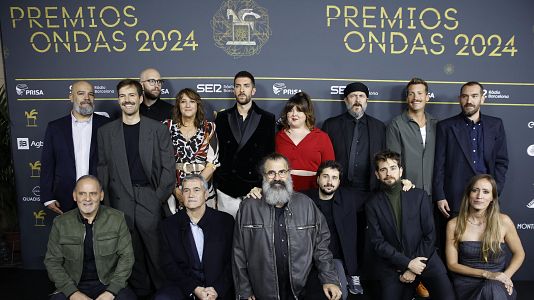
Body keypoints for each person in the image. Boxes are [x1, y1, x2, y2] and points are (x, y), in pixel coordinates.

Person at [97, 79, 175, 297]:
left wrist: (156, 198)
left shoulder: (157, 129)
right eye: (122, 96)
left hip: (148, 196)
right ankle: (139, 293)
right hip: (119, 198)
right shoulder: (105, 132)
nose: (127, 100)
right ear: (118, 100)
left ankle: (164, 293)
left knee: (156, 252)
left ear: (140, 99)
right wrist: (108, 205)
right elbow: (103, 171)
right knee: (130, 254)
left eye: (132, 95)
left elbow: (168, 169)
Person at [233, 153, 342, 300]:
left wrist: (329, 279)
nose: (277, 178)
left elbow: (321, 247)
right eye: (271, 173)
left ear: (289, 174)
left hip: (302, 287)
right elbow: (239, 253)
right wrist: (244, 291)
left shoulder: (306, 204)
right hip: (263, 290)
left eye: (282, 172)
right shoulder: (248, 207)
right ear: (263, 176)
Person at [365, 150, 454, 300]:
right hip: (394, 265)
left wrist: (414, 267)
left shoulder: (419, 196)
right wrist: (407, 263)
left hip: (426, 260)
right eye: (383, 169)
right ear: (377, 174)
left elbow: (430, 234)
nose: (388, 173)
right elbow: (378, 243)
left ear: (401, 170)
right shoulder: (372, 204)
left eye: (393, 168)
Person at [386, 77, 438, 298]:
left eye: (420, 93)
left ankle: (424, 279)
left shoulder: (437, 124)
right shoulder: (396, 124)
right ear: (406, 97)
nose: (416, 97)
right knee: (409, 240)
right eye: (411, 93)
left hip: (434, 195)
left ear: (427, 97)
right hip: (408, 192)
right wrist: (402, 182)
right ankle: (413, 281)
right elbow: (393, 162)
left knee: (431, 238)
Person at [44, 175, 135, 300]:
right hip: (73, 284)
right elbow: (52, 262)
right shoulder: (60, 223)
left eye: (93, 193)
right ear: (75, 196)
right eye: (82, 194)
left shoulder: (117, 219)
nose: (87, 199)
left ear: (101, 195)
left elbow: (127, 258)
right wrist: (72, 293)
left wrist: (111, 291)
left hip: (108, 283)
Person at [433, 81, 509, 218]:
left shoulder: (496, 125)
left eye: (474, 96)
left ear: (482, 98)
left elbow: (501, 161)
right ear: (459, 99)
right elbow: (439, 165)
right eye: (465, 96)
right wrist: (440, 196)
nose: (469, 101)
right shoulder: (445, 126)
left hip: (486, 199)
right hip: (455, 199)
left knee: (486, 239)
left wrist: (494, 191)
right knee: (454, 239)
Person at [445, 174, 524, 300]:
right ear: (468, 194)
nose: (479, 196)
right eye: (475, 190)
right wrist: (487, 274)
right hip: (467, 285)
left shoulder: (504, 221)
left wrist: (505, 277)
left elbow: (519, 253)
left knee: (492, 288)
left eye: (486, 192)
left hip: (499, 283)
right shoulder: (454, 224)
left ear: (492, 198)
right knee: (491, 289)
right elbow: (452, 264)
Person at [156, 174, 234, 300]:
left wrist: (217, 289)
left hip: (218, 288)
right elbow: (168, 265)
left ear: (206, 194)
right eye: (186, 190)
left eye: (196, 190)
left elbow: (233, 262)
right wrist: (194, 288)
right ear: (182, 195)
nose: (191, 195)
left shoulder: (225, 222)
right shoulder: (168, 226)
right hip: (185, 288)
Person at [41, 80, 109, 214]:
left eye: (91, 94)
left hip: (100, 196)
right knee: (69, 235)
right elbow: (48, 163)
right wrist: (47, 197)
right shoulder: (55, 127)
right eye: (81, 93)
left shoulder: (107, 125)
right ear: (71, 97)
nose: (86, 98)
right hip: (64, 197)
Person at [214, 71, 275, 218]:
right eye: (238, 86)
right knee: (227, 234)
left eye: (246, 86)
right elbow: (217, 152)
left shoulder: (267, 119)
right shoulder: (221, 118)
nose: (242, 90)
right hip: (227, 189)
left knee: (253, 236)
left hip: (255, 190)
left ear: (253, 90)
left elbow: (269, 156)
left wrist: (261, 186)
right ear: (234, 90)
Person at [322, 82, 385, 192]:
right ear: (346, 100)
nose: (357, 100)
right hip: (338, 188)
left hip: (369, 190)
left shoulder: (379, 127)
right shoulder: (330, 125)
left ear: (367, 100)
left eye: (361, 96)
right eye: (353, 96)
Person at [163, 88, 219, 211]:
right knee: (176, 227)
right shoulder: (167, 127)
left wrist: (194, 190)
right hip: (174, 190)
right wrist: (176, 190)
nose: (188, 105)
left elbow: (212, 164)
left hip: (203, 188)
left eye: (192, 101)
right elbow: (162, 163)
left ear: (197, 105)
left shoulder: (209, 128)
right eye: (183, 101)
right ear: (178, 105)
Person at [275, 92, 335, 191]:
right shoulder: (278, 137)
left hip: (313, 191)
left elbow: (330, 169)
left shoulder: (322, 137)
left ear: (307, 114)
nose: (294, 114)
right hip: (282, 190)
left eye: (299, 110)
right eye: (290, 110)